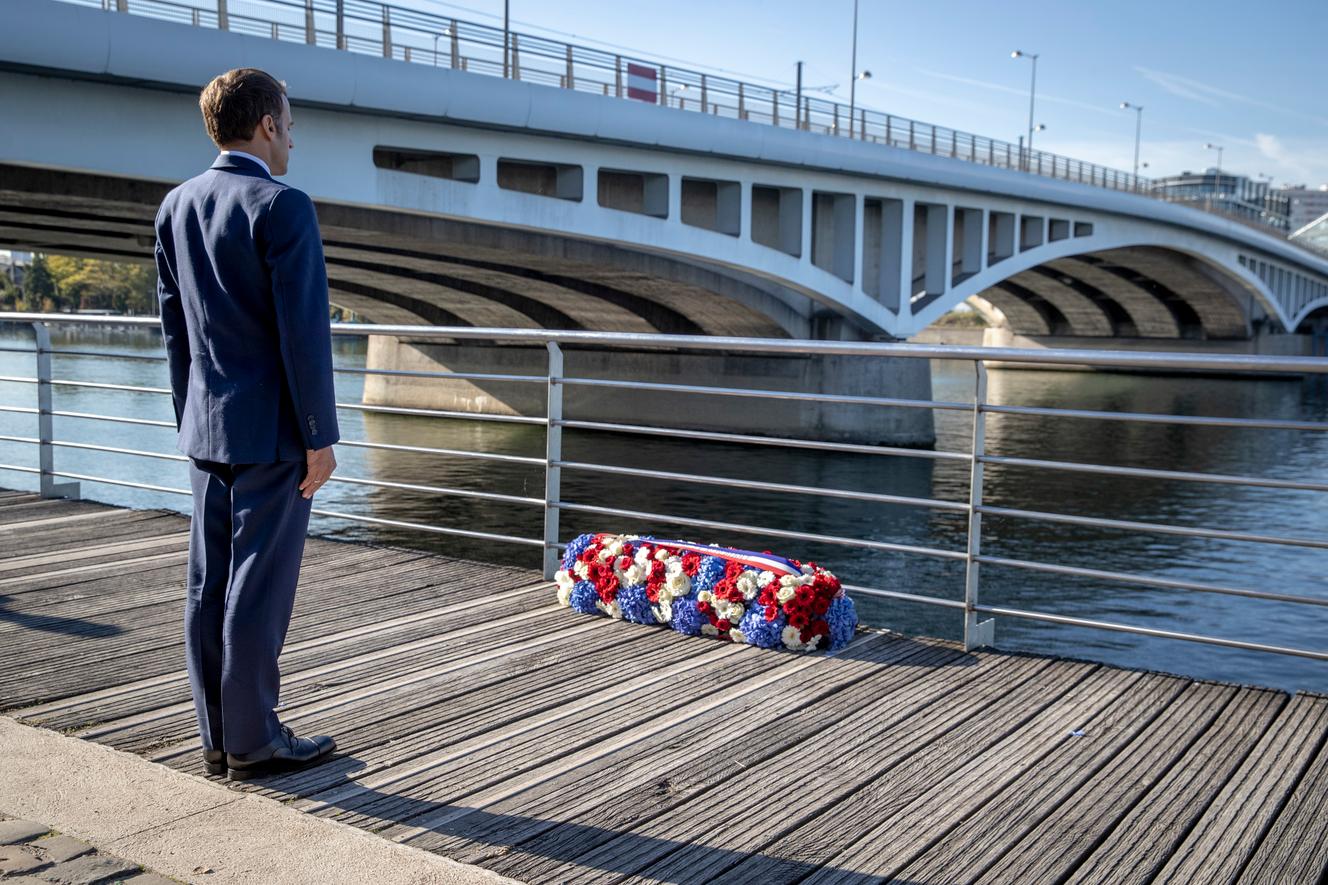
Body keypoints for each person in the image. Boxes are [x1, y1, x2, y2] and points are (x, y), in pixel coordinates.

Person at [154, 67, 340, 781]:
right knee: (257, 588)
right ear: (266, 125)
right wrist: (319, 435)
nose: (293, 136)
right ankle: (255, 740)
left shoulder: (176, 206)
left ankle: (218, 737)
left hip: (207, 430)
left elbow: (175, 334)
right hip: (273, 435)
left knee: (208, 586)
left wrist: (189, 421)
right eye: (288, 122)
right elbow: (303, 333)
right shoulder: (282, 205)